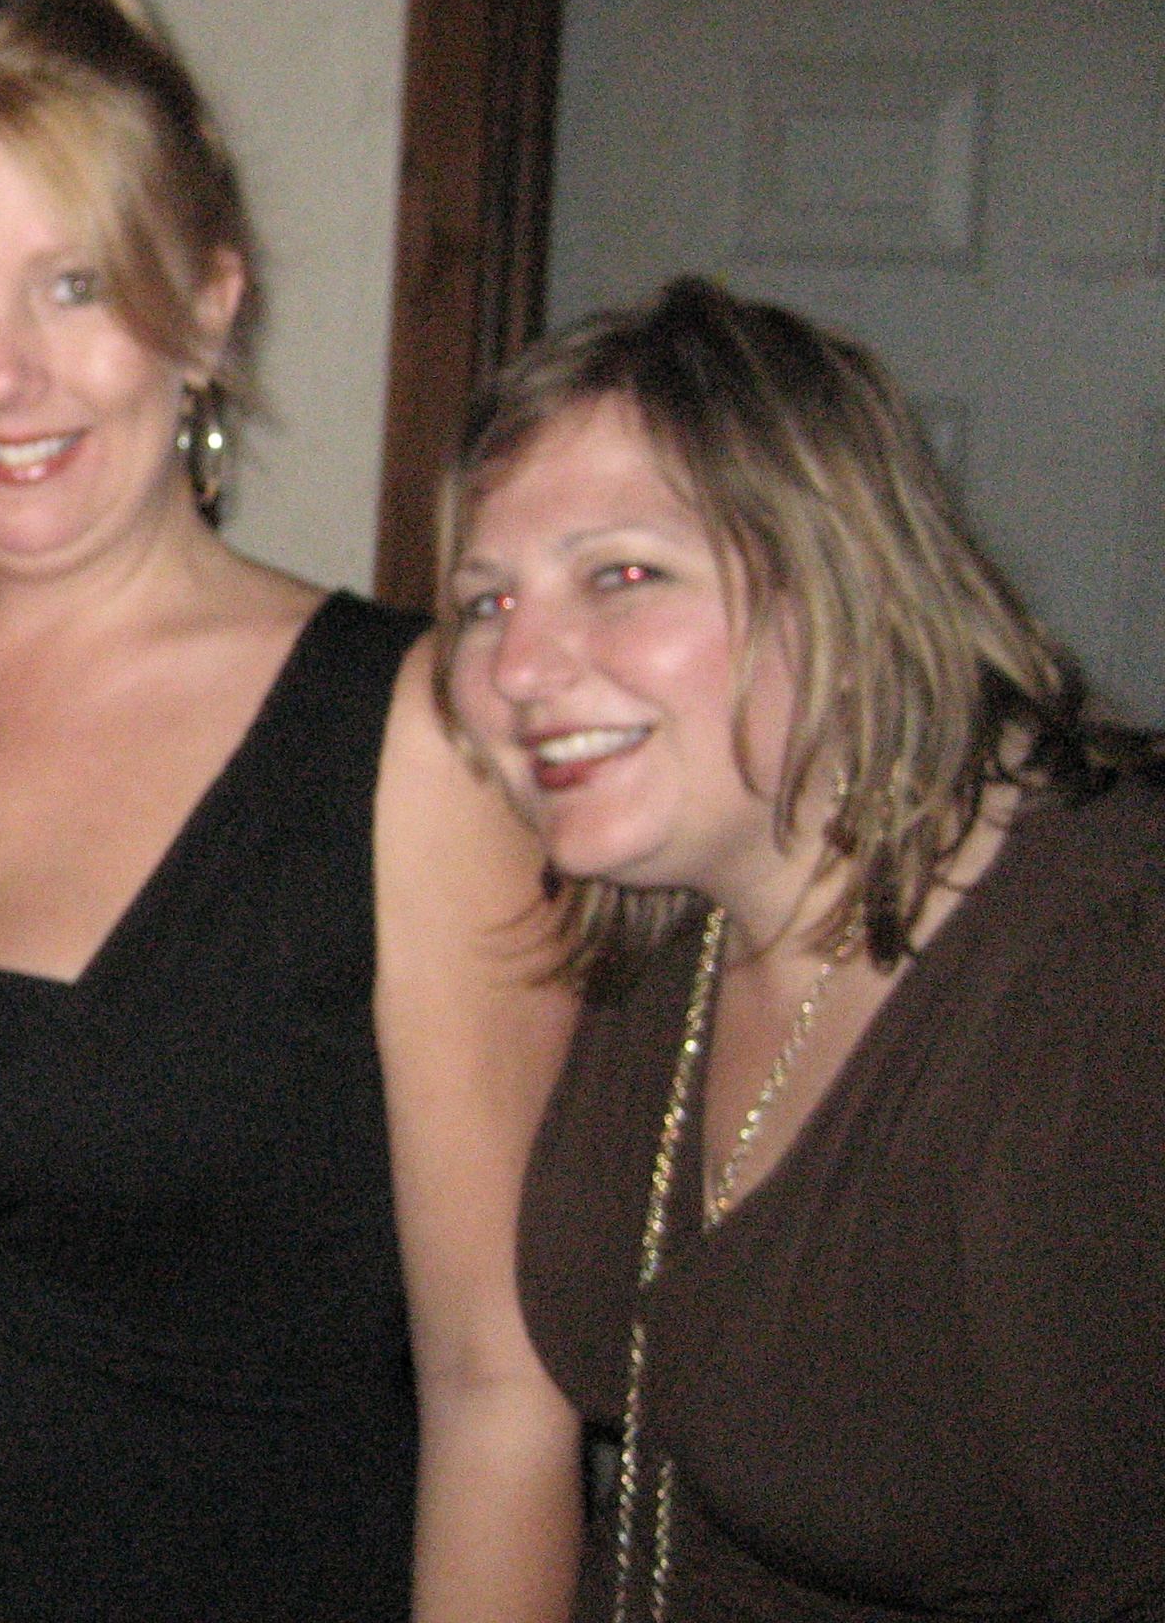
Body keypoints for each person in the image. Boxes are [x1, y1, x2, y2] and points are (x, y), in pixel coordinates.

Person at [0, 0, 579, 1620]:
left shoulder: (405, 738)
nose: (1, 374)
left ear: (209, 302)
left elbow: (501, 1393)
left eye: (75, 285)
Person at [440, 276, 1165, 1623]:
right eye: (485, 601)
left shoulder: (1105, 990)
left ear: (841, 585)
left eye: (622, 576)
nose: (518, 667)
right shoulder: (668, 925)